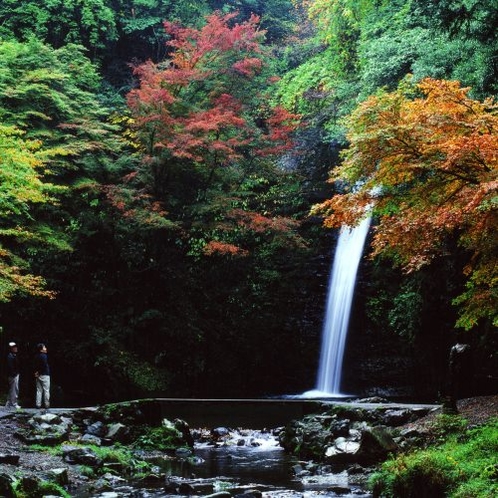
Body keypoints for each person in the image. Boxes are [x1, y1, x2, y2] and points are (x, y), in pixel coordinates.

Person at [34, 343, 50, 410]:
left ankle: (38, 404)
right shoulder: (44, 356)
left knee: (39, 390)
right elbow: (43, 365)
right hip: (45, 374)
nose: (45, 348)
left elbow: (35, 365)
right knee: (46, 390)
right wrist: (39, 372)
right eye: (44, 347)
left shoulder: (36, 356)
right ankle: (46, 405)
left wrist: (36, 372)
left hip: (38, 375)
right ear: (41, 349)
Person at [5, 342, 21, 410]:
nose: (16, 348)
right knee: (14, 389)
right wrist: (14, 374)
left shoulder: (13, 355)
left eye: (16, 347)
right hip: (13, 375)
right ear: (11, 348)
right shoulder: (10, 356)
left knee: (12, 389)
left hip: (14, 374)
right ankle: (14, 404)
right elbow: (10, 366)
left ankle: (8, 403)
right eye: (14, 347)